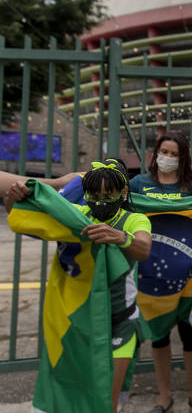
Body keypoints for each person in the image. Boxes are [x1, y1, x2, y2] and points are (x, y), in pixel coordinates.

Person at [7, 160, 152, 413]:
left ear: (123, 192)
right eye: (95, 195)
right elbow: (24, 218)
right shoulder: (76, 216)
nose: (102, 201)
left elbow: (143, 248)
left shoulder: (134, 219)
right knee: (75, 392)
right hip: (81, 323)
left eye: (109, 195)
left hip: (121, 321)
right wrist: (13, 198)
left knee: (107, 402)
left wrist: (119, 237)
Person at [129, 132, 192, 413]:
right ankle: (163, 397)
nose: (168, 157)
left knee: (191, 337)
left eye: (175, 154)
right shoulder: (140, 184)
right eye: (164, 151)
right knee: (159, 337)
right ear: (155, 153)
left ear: (183, 158)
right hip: (151, 279)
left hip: (190, 279)